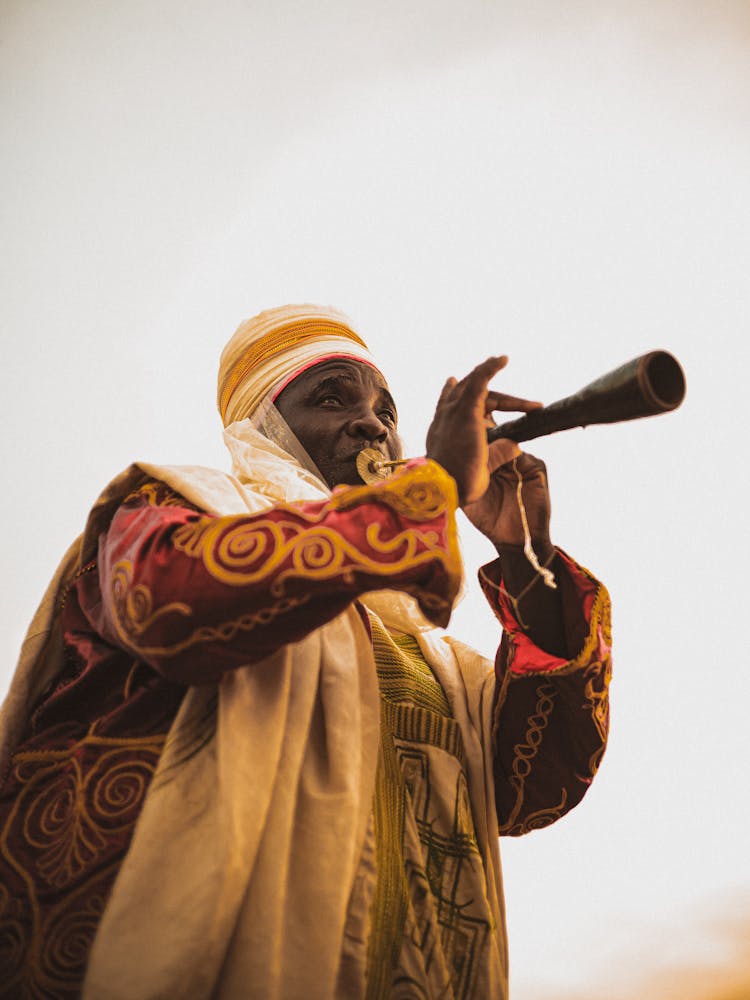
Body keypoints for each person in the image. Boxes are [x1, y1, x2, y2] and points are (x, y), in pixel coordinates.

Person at [0, 304, 611, 1000]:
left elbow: (528, 791)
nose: (372, 424)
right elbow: (171, 607)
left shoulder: (422, 650)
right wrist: (432, 486)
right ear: (263, 424)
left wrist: (524, 554)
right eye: (331, 398)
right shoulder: (170, 510)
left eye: (387, 409)